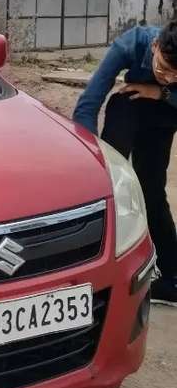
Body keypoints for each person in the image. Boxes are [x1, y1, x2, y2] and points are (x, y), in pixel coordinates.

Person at [74, 21, 177, 303]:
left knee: (152, 193)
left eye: (175, 75)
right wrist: (92, 159)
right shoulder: (131, 44)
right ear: (155, 46)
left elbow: (168, 88)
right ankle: (100, 265)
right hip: (130, 103)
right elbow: (88, 103)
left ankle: (173, 279)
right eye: (163, 69)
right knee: (111, 185)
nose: (167, 77)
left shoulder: (168, 85)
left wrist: (162, 92)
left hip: (167, 112)